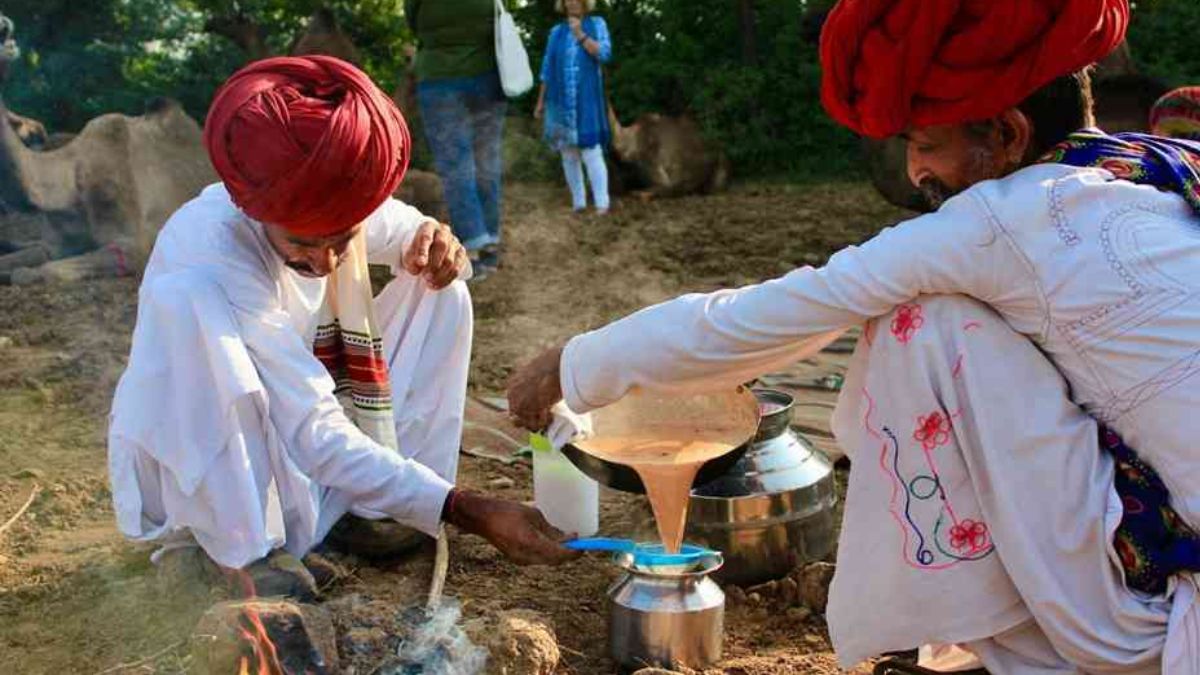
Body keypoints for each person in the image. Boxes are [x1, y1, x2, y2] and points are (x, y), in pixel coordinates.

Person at [507, 1, 1200, 671]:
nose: (914, 173)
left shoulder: (1003, 220)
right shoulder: (1156, 164)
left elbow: (761, 317)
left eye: (926, 144)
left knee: (919, 324)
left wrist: (571, 365)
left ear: (1009, 135)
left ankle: (1033, 651)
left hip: (1167, 625)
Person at [107, 56, 576, 600]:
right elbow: (311, 428)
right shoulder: (213, 251)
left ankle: (375, 509)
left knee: (440, 287)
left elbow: (409, 234)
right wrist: (463, 507)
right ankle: (237, 552)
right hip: (217, 463)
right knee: (191, 304)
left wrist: (439, 243)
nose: (327, 262)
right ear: (259, 214)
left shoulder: (333, 199)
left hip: (298, 440)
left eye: (342, 240)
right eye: (303, 244)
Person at [405, 0, 507, 278]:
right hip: (487, 76)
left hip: (439, 79)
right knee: (488, 161)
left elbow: (413, 22)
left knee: (456, 166)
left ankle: (473, 247)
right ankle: (490, 243)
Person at [535, 0, 613, 215]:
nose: (572, 2)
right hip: (559, 100)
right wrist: (540, 102)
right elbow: (547, 69)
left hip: (587, 99)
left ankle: (602, 205)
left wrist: (580, 35)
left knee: (591, 150)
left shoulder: (597, 24)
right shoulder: (556, 32)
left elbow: (605, 53)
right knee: (568, 153)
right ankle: (578, 203)